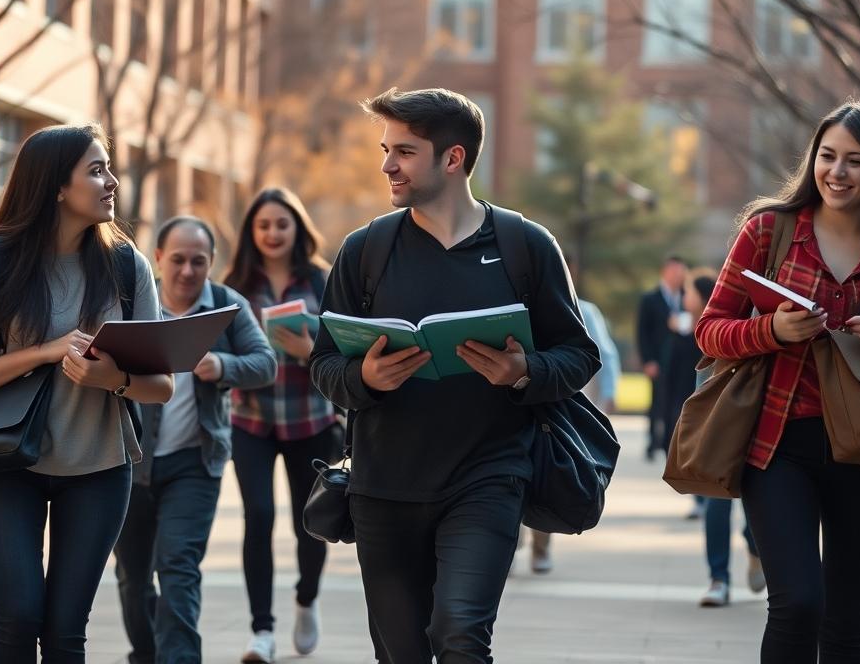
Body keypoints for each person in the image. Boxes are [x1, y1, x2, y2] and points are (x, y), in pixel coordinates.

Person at [309, 87, 599, 662]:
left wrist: (524, 370)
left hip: (489, 479)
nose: (387, 164)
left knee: (460, 635)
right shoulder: (364, 251)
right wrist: (365, 378)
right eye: (386, 149)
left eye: (405, 152)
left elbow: (578, 354)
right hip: (382, 486)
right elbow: (323, 363)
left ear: (453, 158)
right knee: (402, 652)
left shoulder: (525, 246)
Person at [695, 101, 860, 661]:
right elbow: (710, 331)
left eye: (855, 161)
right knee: (796, 605)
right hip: (777, 448)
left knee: (847, 625)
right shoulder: (768, 230)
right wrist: (772, 328)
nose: (836, 173)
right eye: (828, 156)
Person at [0, 124, 174, 663]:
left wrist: (110, 379)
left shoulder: (126, 265)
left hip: (99, 469)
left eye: (109, 168)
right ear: (55, 187)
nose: (111, 181)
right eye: (96, 170)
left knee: (66, 631)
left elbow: (160, 387)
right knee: (19, 615)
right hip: (7, 464)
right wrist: (45, 352)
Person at [113, 216, 276, 664]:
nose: (188, 271)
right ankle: (147, 653)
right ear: (160, 258)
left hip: (194, 464)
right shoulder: (134, 305)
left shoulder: (226, 306)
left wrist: (222, 366)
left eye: (198, 261)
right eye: (179, 260)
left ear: (211, 263)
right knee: (132, 576)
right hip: (129, 461)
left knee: (179, 569)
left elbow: (265, 363)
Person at [222, 187, 339, 663]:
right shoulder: (234, 286)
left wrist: (305, 352)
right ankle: (261, 632)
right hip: (250, 420)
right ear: (252, 232)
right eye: (263, 225)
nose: (273, 233)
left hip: (311, 419)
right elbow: (219, 347)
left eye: (282, 224)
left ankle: (307, 598)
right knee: (260, 518)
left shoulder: (322, 280)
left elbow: (343, 350)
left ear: (298, 228)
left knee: (310, 524)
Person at [526, 253, 621, 575]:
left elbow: (602, 353)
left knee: (544, 476)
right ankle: (509, 549)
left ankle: (541, 547)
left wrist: (607, 395)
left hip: (561, 409)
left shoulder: (585, 310)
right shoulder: (519, 303)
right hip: (518, 400)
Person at [683, 268, 764, 608]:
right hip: (719, 430)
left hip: (760, 427)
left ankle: (755, 547)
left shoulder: (762, 314)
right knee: (715, 504)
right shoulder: (710, 326)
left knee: (757, 507)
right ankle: (719, 578)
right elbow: (701, 386)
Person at [637, 256, 687, 461]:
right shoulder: (650, 298)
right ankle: (652, 441)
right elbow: (642, 332)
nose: (679, 276)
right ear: (665, 272)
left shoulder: (686, 297)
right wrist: (648, 360)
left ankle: (668, 443)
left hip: (681, 362)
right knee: (657, 402)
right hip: (658, 360)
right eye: (675, 272)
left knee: (676, 402)